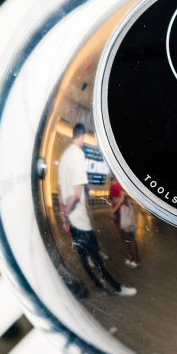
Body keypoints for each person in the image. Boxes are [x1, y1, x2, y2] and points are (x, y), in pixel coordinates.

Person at [58, 124, 136, 297]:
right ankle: (117, 288)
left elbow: (60, 189)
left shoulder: (64, 157)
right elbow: (78, 191)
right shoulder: (78, 154)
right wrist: (68, 210)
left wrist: (64, 215)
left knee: (83, 256)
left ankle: (98, 285)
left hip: (72, 221)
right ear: (83, 136)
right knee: (97, 259)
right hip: (80, 219)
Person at [109, 174, 141, 267]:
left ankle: (136, 260)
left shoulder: (122, 180)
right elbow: (110, 198)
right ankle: (131, 257)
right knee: (124, 237)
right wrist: (112, 210)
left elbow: (122, 199)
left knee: (129, 237)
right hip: (116, 211)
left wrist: (113, 211)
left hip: (122, 211)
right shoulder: (112, 181)